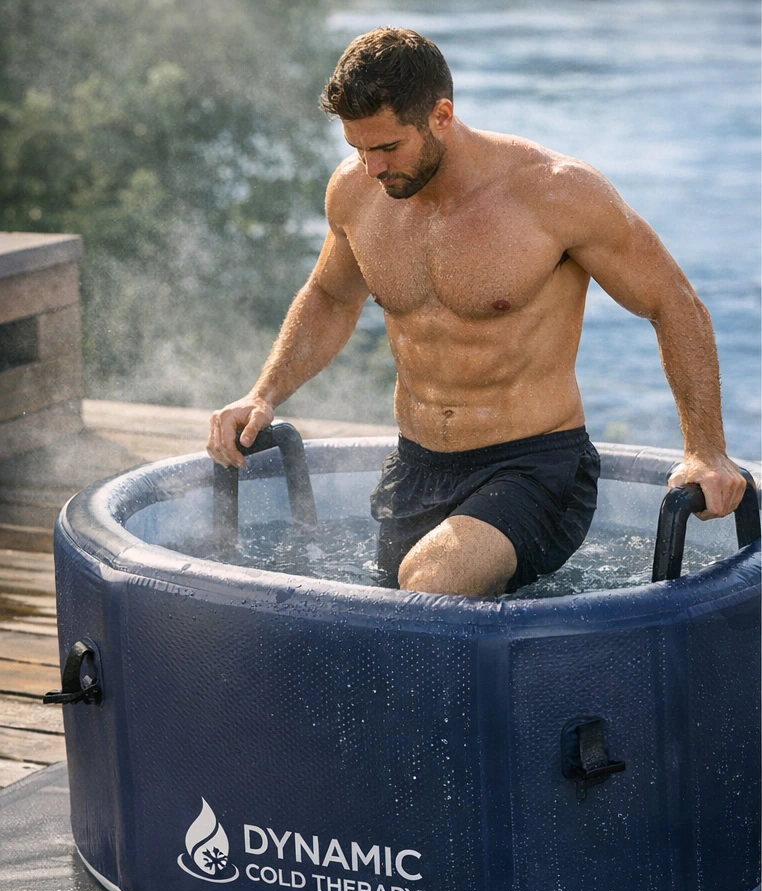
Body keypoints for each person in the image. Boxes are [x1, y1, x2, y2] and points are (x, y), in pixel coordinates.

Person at [206, 27, 746, 597]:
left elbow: (675, 303)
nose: (371, 167)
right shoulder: (357, 193)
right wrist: (262, 393)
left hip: (535, 468)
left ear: (441, 115)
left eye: (387, 147)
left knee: (429, 585)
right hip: (416, 467)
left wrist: (705, 448)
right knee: (391, 620)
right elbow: (331, 297)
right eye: (358, 148)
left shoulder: (556, 194)